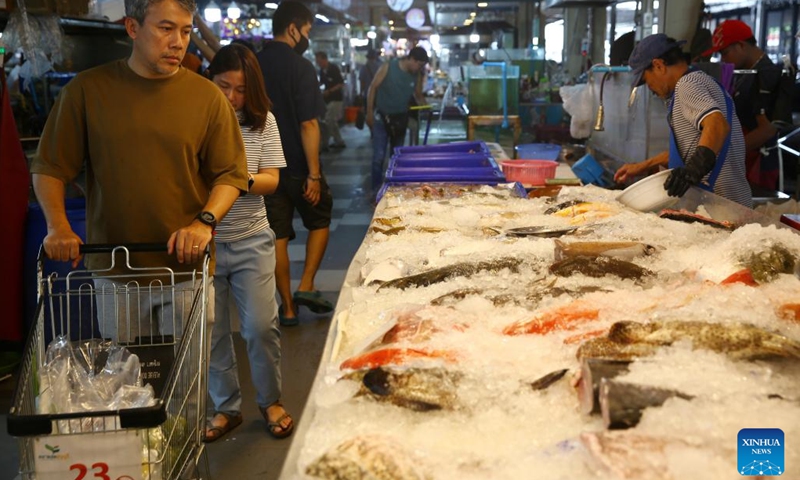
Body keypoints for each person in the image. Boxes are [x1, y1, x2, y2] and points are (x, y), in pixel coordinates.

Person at [30, 0, 247, 339]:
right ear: (133, 28)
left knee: (186, 384)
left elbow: (231, 174)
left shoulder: (208, 97)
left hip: (185, 270)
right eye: (165, 28)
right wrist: (58, 226)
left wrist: (204, 223)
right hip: (116, 270)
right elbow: (50, 167)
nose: (178, 42)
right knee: (127, 383)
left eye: (186, 31)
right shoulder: (87, 91)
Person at [204, 44, 293, 442]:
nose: (231, 98)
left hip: (251, 239)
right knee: (212, 332)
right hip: (203, 245)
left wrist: (237, 180)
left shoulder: (263, 122)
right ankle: (226, 408)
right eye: (223, 86)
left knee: (260, 326)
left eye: (240, 89)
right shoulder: (195, 118)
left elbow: (272, 178)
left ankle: (270, 400)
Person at [256, 1, 333, 327]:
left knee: (278, 236)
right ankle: (306, 285)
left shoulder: (253, 64)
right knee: (320, 218)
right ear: (293, 28)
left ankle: (286, 307)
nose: (306, 37)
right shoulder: (301, 68)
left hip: (264, 168)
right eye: (306, 31)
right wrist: (314, 174)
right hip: (299, 166)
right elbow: (309, 124)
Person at [613, 34, 752, 208]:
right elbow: (693, 149)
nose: (650, 88)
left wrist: (691, 172)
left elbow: (717, 124)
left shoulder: (687, 84)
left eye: (646, 80)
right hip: (725, 204)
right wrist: (643, 166)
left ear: (658, 65)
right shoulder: (700, 81)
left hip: (723, 207)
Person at [702, 20, 795, 191]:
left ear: (740, 45)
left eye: (725, 52)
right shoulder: (745, 73)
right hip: (743, 157)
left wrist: (724, 152)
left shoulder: (766, 74)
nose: (723, 59)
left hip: (758, 164)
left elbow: (767, 130)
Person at [366, 47, 428, 193]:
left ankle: (394, 189)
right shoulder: (389, 66)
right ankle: (375, 190)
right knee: (378, 156)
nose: (419, 68)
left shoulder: (416, 74)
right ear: (411, 59)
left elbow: (418, 94)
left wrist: (427, 107)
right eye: (419, 64)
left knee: (396, 156)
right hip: (381, 118)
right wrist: (368, 112)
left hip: (400, 119)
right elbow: (372, 88)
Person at [315, 51, 346, 149]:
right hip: (327, 99)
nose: (318, 64)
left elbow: (341, 83)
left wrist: (330, 91)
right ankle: (339, 141)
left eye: (319, 61)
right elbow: (322, 83)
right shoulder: (321, 71)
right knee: (332, 121)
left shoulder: (333, 68)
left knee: (328, 120)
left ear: (325, 59)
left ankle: (324, 143)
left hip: (336, 99)